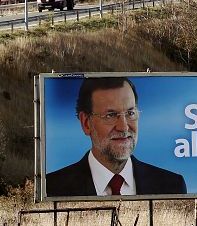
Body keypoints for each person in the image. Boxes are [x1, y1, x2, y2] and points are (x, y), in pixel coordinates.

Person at [46, 76, 186, 197]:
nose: (123, 127)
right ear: (86, 123)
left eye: (130, 113)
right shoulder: (52, 187)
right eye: (110, 115)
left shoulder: (172, 185)